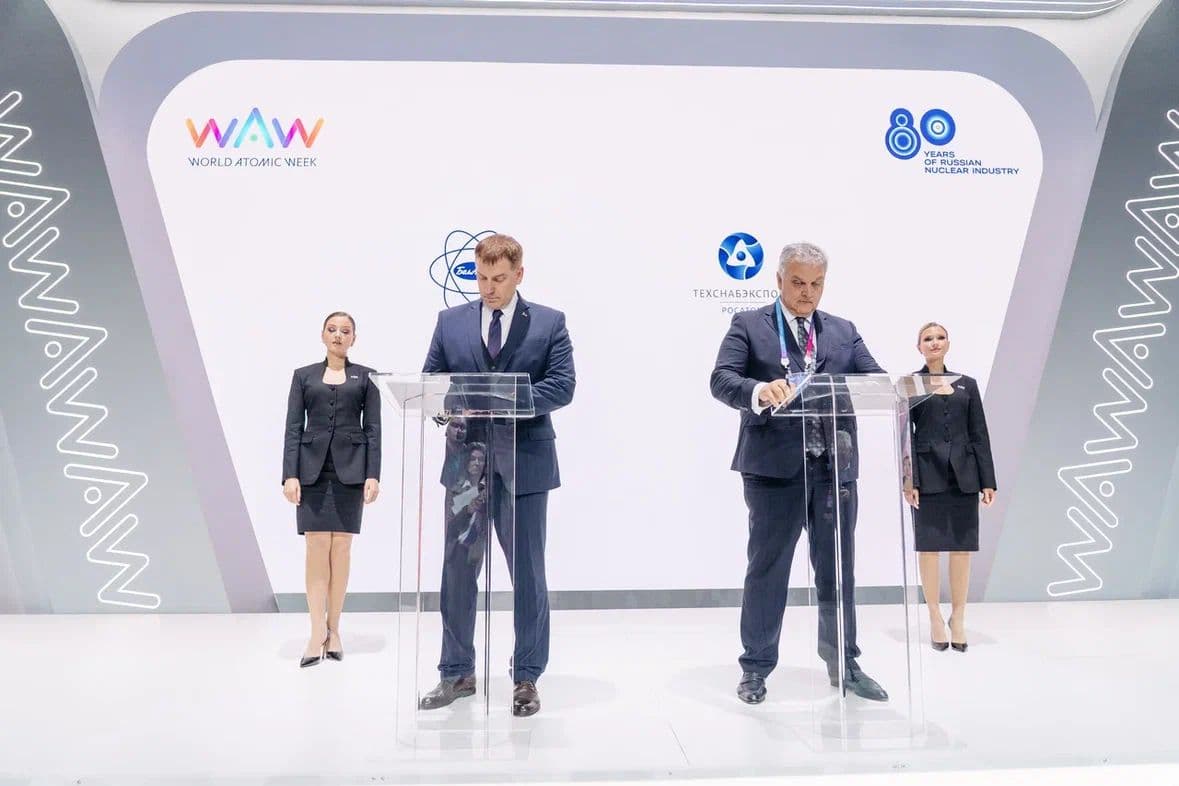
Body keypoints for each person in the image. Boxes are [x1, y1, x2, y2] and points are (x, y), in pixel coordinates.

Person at [710, 241, 889, 704]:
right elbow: (722, 379)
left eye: (816, 284)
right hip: (774, 470)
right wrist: (758, 389)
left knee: (837, 570)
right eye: (798, 283)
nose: (807, 292)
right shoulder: (749, 325)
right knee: (768, 570)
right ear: (779, 280)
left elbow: (875, 381)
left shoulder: (843, 331)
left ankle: (844, 662)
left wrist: (895, 386)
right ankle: (755, 667)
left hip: (833, 470)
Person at [419, 233, 575, 717]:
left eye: (500, 278)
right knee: (457, 572)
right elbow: (430, 382)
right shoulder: (449, 322)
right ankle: (456, 673)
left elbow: (563, 386)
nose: (489, 288)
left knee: (528, 575)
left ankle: (526, 677)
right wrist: (446, 405)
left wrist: (508, 400)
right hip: (465, 468)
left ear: (519, 275)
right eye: (483, 278)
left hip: (525, 466)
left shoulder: (549, 322)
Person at [282, 312, 381, 668]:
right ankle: (315, 633)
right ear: (323, 334)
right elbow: (293, 428)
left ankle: (334, 629)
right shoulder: (303, 376)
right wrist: (289, 475)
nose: (338, 335)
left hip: (351, 473)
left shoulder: (367, 378)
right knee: (315, 548)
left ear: (354, 338)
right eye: (332, 329)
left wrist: (373, 474)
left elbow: (373, 430)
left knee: (341, 549)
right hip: (312, 473)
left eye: (345, 331)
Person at [903, 322, 997, 653]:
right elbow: (905, 434)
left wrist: (988, 480)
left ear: (948, 343)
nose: (934, 342)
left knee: (961, 548)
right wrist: (909, 479)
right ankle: (933, 617)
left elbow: (979, 433)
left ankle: (958, 618)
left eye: (940, 337)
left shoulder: (966, 384)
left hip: (964, 476)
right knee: (928, 547)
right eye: (928, 338)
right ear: (919, 346)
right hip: (926, 475)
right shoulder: (911, 384)